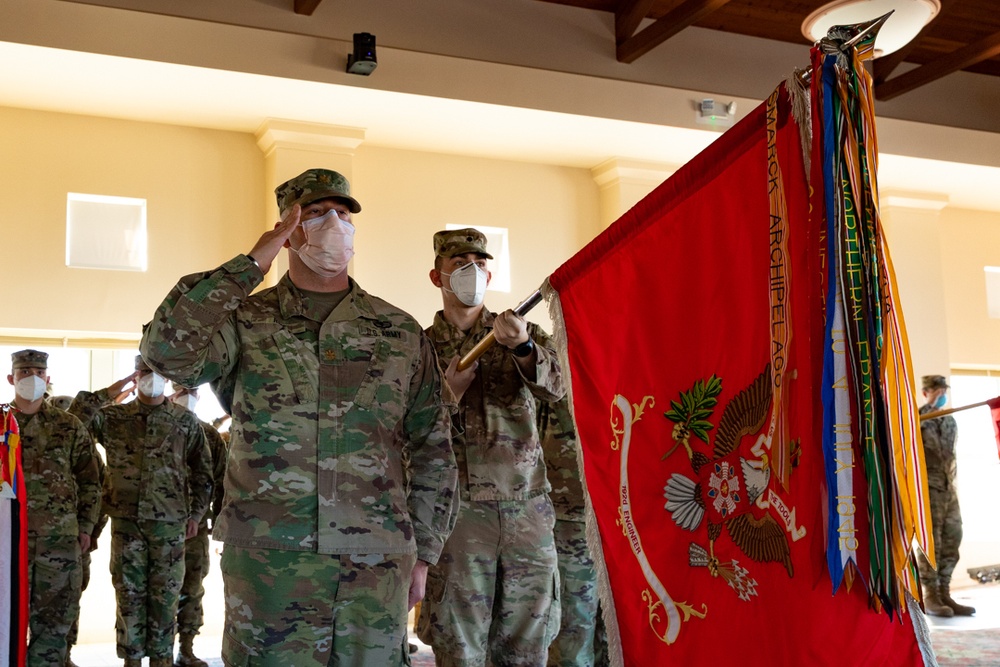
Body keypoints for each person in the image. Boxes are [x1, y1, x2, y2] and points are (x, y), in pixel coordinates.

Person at [139, 168, 459, 666]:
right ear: (290, 231)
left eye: (343, 214)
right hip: (272, 563)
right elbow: (166, 353)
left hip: (375, 564)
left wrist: (425, 552)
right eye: (315, 214)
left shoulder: (397, 330)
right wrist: (251, 263)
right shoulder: (246, 320)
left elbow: (433, 445)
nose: (334, 223)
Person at [418, 228, 565, 667]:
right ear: (437, 276)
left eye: (480, 264)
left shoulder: (522, 331)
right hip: (457, 515)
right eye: (460, 264)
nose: (472, 272)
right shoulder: (420, 347)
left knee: (527, 640)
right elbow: (405, 430)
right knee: (459, 643)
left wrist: (521, 347)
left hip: (526, 508)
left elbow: (557, 390)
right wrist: (448, 393)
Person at [71, 357, 213, 667]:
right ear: (137, 375)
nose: (153, 378)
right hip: (127, 524)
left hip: (170, 525)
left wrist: (196, 515)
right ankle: (132, 660)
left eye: (159, 372)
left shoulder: (184, 421)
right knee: (129, 595)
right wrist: (109, 393)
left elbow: (203, 473)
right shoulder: (113, 417)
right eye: (146, 371)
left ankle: (161, 660)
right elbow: (74, 424)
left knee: (165, 597)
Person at [6, 349, 102, 667]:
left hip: (59, 543)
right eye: (24, 372)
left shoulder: (69, 426)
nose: (31, 378)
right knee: (6, 623)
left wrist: (87, 528)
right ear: (11, 378)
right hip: (8, 544)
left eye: (37, 371)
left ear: (48, 380)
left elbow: (90, 481)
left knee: (54, 626)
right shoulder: (2, 426)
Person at [537, 396, 609, 667]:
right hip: (570, 514)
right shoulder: (556, 355)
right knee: (572, 637)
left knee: (620, 639)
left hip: (626, 519)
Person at [169, 385, 229, 667]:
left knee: (191, 590)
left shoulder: (211, 435)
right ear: (170, 389)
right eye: (181, 388)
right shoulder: (161, 426)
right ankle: (158, 653)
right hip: (162, 525)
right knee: (158, 592)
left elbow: (220, 483)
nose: (186, 393)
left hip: (195, 530)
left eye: (191, 389)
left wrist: (218, 528)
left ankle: (187, 649)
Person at [917, 374, 975, 617]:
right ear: (926, 392)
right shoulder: (918, 418)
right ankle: (930, 596)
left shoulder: (950, 420)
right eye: (936, 390)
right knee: (932, 543)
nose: (941, 394)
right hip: (928, 489)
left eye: (944, 389)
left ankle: (945, 592)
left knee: (953, 537)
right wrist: (929, 410)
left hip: (949, 489)